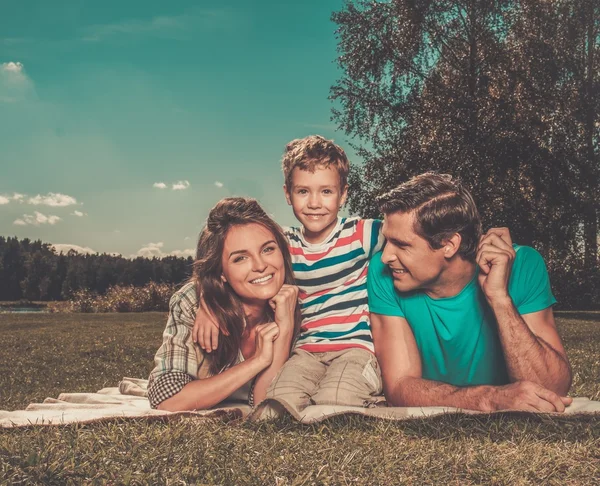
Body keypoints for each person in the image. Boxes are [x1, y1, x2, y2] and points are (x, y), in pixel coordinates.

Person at [194, 135, 385, 411]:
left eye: (326, 192)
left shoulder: (362, 233)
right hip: (305, 351)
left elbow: (410, 235)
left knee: (335, 400)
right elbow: (215, 265)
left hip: (355, 348)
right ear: (287, 194)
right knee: (277, 402)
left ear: (344, 194)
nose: (314, 203)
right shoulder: (283, 244)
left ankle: (370, 394)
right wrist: (207, 303)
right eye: (303, 192)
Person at [367, 173, 573, 412]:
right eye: (387, 241)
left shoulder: (523, 265)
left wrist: (499, 298)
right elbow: (399, 387)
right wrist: (488, 398)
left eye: (402, 244)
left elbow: (552, 391)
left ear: (449, 245)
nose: (385, 256)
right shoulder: (384, 272)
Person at [147, 197, 300, 411]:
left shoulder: (296, 302)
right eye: (240, 258)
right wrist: (257, 361)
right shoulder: (192, 302)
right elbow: (167, 399)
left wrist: (285, 328)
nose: (260, 266)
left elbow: (265, 407)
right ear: (222, 273)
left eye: (267, 249)